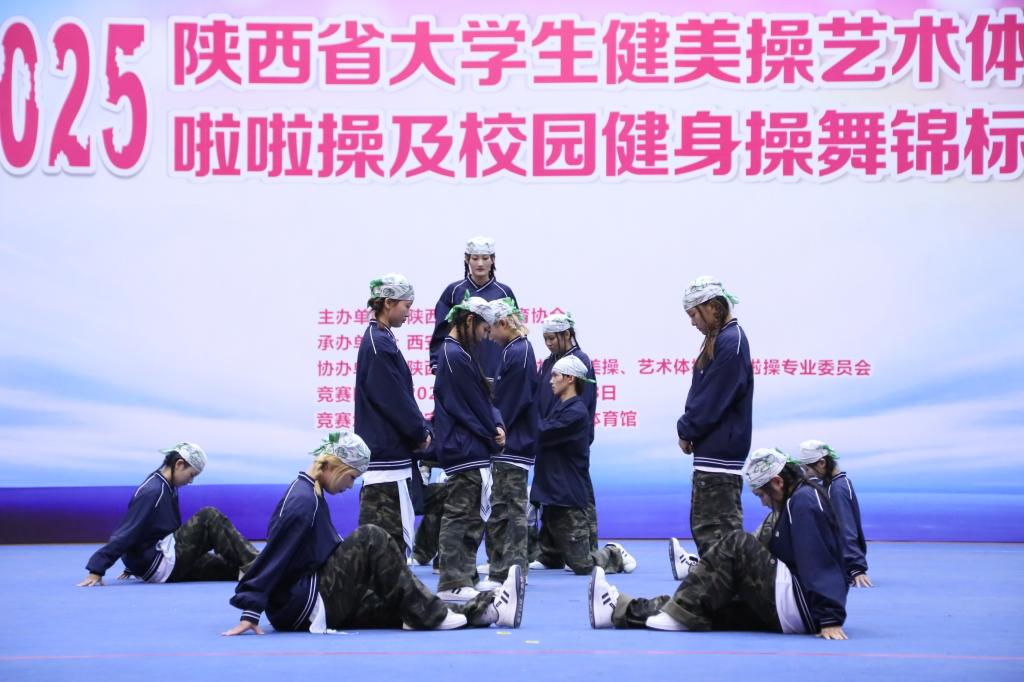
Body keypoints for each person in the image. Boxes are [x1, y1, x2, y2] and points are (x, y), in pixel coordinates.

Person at [224, 431, 524, 635]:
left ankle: (492, 610)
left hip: (308, 602)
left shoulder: (310, 494)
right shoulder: (302, 502)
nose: (349, 486)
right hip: (302, 605)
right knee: (372, 536)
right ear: (335, 466)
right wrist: (250, 611)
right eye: (351, 477)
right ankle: (439, 615)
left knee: (405, 606)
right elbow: (273, 556)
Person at [589, 448, 849, 640]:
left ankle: (679, 610)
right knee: (705, 605)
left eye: (762, 495)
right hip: (794, 609)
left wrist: (830, 618)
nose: (763, 503)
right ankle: (617, 610)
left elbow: (819, 560)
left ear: (778, 482)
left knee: (736, 541)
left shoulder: (803, 502)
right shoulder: (793, 503)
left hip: (803, 607)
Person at [78, 443, 257, 587]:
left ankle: (258, 572)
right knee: (209, 516)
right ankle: (263, 565)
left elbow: (146, 531)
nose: (191, 481)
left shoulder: (166, 485)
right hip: (162, 563)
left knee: (229, 567)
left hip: (160, 562)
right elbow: (128, 531)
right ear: (179, 464)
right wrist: (96, 568)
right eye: (191, 474)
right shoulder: (153, 491)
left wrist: (132, 565)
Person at [531, 355, 635, 576]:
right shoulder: (560, 407)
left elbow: (544, 431)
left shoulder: (576, 412)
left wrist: (520, 421)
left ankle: (614, 553)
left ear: (570, 378)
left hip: (567, 493)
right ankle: (551, 557)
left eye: (555, 375)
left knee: (583, 564)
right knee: (549, 540)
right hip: (552, 490)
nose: (550, 380)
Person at [433, 296, 506, 602]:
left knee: (473, 517)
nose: (484, 336)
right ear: (469, 321)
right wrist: (492, 432)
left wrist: (495, 426)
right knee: (459, 516)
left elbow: (482, 401)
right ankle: (452, 581)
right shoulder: (453, 355)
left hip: (470, 445)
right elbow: (469, 406)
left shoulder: (459, 353)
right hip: (463, 447)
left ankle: (466, 574)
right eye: (483, 329)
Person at [355, 273, 432, 556]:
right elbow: (395, 399)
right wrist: (420, 433)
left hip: (388, 458)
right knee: (388, 551)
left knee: (384, 551)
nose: (409, 313)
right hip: (387, 462)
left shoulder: (380, 339)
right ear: (388, 303)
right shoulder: (379, 343)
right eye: (406, 306)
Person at [676, 276, 753, 557]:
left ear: (712, 308)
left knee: (717, 536)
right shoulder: (723, 339)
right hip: (714, 449)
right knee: (709, 533)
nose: (692, 323)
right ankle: (709, 574)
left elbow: (712, 398)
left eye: (694, 314)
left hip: (721, 454)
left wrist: (687, 429)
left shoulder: (731, 342)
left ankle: (721, 580)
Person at [479, 298, 538, 587]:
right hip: (513, 443)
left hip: (512, 445)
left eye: (491, 329)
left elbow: (510, 403)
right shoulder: (516, 350)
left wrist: (495, 430)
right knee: (503, 508)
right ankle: (504, 567)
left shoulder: (518, 353)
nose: (489, 336)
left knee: (509, 510)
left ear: (503, 324)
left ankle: (510, 570)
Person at [535, 312, 599, 556]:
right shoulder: (548, 363)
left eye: (552, 338)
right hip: (549, 433)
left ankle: (591, 549)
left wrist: (564, 429)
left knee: (578, 490)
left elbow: (582, 403)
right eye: (545, 339)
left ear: (567, 334)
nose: (549, 343)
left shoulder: (580, 361)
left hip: (569, 436)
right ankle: (550, 552)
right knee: (550, 490)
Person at [429, 236, 518, 381]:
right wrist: (438, 365)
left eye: (485, 258)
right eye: (475, 258)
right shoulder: (453, 291)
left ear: (493, 260)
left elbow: (515, 332)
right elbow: (441, 331)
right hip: (460, 372)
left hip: (496, 372)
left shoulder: (504, 293)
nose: (480, 263)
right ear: (467, 259)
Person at [797, 439, 871, 587]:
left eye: (807, 469)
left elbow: (846, 528)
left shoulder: (836, 490)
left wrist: (856, 568)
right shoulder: (840, 483)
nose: (807, 475)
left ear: (822, 463)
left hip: (842, 567)